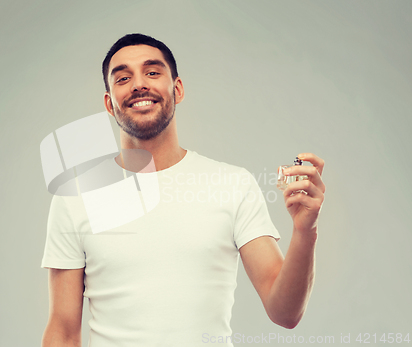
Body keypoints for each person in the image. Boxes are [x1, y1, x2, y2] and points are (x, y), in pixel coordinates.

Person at [41, 33, 325, 347]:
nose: (139, 84)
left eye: (152, 72)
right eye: (123, 78)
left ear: (177, 89)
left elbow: (284, 312)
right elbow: (63, 331)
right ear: (109, 103)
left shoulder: (232, 184)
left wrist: (304, 231)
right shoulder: (76, 196)